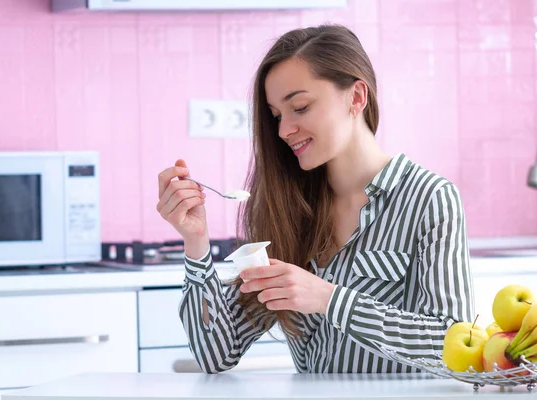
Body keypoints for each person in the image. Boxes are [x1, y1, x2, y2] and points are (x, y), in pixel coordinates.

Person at [156, 24, 474, 373]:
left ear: (356, 97)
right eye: (276, 115)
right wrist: (196, 243)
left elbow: (452, 342)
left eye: (301, 107)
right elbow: (215, 354)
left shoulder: (428, 199)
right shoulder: (288, 209)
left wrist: (329, 299)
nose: (282, 130)